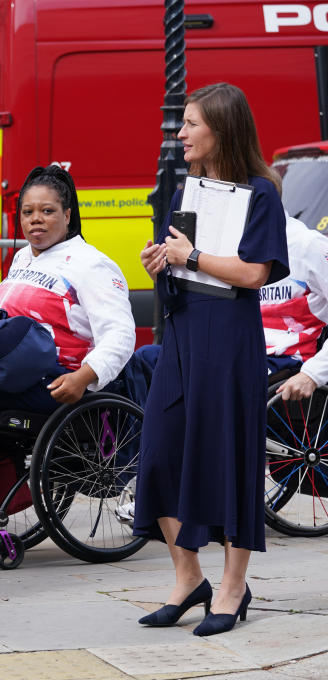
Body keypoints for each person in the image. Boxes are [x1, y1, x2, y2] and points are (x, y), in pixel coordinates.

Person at [133, 83, 289, 636]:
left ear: (220, 129)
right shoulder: (187, 188)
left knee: (229, 458)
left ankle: (231, 586)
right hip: (181, 332)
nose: (181, 134)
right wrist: (163, 261)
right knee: (157, 453)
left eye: (191, 123)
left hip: (228, 340)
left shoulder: (262, 193)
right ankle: (188, 576)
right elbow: (181, 259)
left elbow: (253, 273)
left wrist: (191, 254)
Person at [0, 165, 135, 547]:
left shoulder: (92, 265)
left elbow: (120, 335)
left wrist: (83, 378)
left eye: (47, 211)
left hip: (58, 383)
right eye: (27, 212)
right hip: (10, 372)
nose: (35, 220)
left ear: (68, 215)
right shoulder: (24, 258)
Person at [262, 214, 328, 400]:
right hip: (244, 354)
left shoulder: (308, 244)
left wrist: (312, 374)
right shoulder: (230, 243)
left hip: (289, 363)